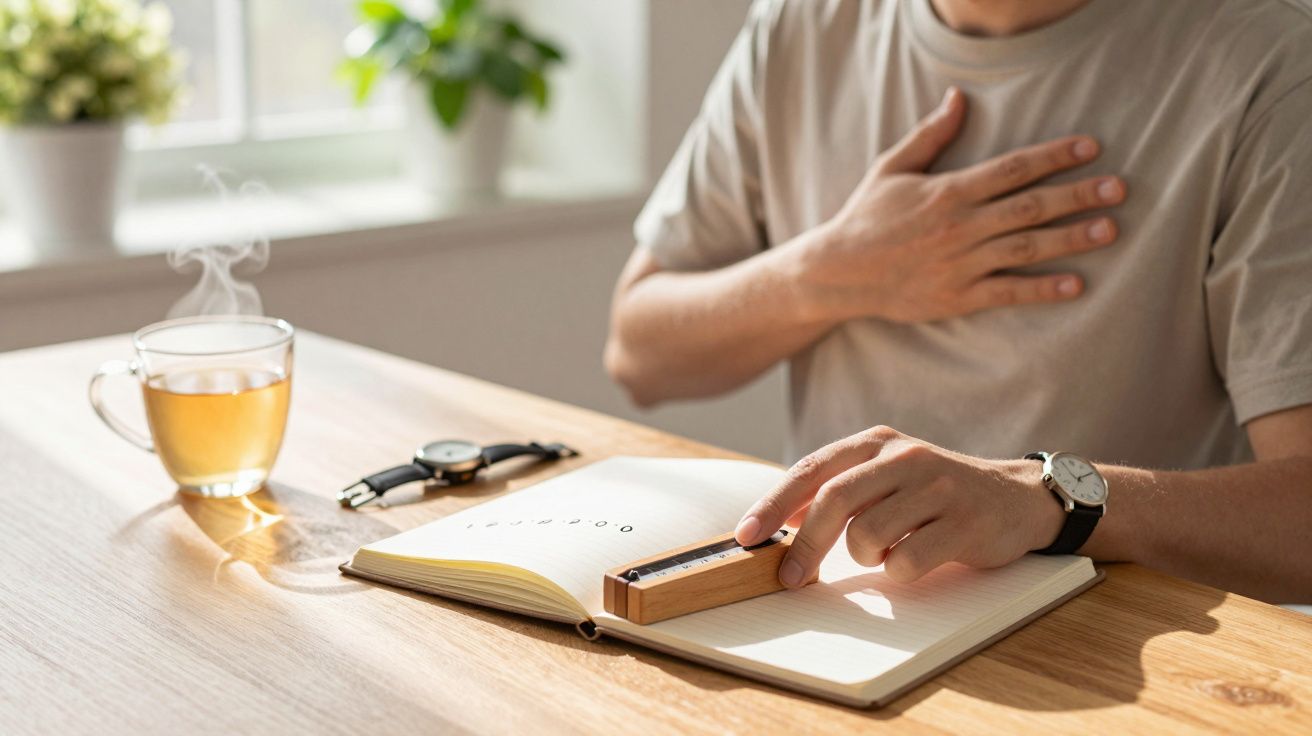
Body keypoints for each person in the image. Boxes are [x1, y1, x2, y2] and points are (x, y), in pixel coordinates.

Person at [604, 0, 1312, 603]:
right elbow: (640, 352)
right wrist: (833, 271)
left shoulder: (1270, 63)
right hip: (830, 617)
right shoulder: (802, 24)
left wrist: (1052, 503)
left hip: (1112, 654)